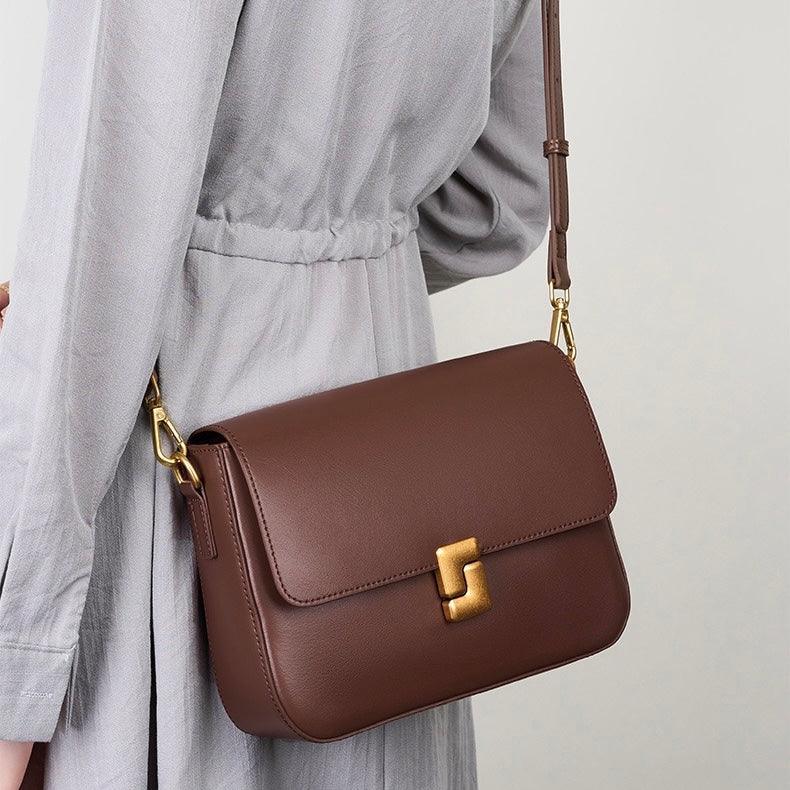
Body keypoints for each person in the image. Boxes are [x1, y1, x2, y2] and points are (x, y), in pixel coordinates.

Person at [0, 0, 549, 787]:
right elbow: (499, 203)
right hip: (391, 443)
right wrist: (339, 269)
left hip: (182, 434)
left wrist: (13, 670)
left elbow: (102, 240)